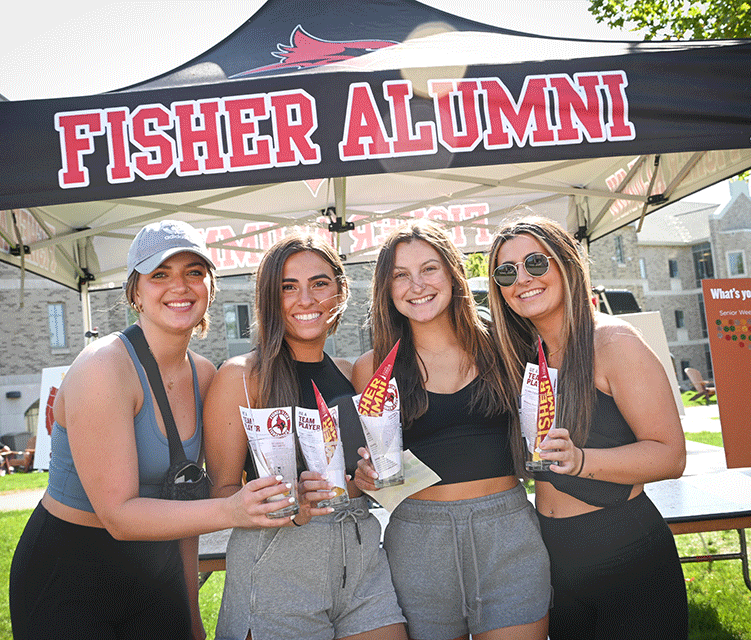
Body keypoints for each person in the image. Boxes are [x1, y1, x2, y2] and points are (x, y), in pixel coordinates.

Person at [10, 220, 294, 640]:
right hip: (71, 573)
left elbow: (184, 497)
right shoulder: (103, 367)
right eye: (160, 274)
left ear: (210, 288)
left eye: (193, 273)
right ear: (135, 293)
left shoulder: (203, 374)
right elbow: (119, 516)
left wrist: (190, 613)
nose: (179, 287)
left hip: (156, 571)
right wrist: (232, 510)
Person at [486, 213, 688, 639]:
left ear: (566, 265)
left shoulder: (614, 343)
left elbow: (670, 455)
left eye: (536, 263)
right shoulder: (523, 355)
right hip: (552, 555)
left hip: (625, 551)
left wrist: (579, 460)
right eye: (507, 272)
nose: (523, 278)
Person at [204, 233, 408, 640]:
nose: (306, 299)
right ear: (269, 298)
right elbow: (222, 492)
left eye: (319, 283)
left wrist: (369, 482)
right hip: (279, 565)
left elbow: (367, 480)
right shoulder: (242, 377)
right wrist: (286, 502)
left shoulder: (353, 374)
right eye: (288, 287)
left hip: (361, 556)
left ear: (341, 291)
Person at [354, 220, 551, 640]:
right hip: (419, 540)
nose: (417, 285)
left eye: (429, 269)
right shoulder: (373, 367)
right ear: (386, 290)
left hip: (508, 532)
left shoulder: (504, 344)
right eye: (400, 275)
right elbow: (376, 478)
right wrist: (367, 477)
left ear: (452, 273)